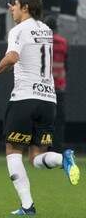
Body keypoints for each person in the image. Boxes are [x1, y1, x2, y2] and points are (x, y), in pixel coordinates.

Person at [0, 0, 80, 216]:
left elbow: (13, 57)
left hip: (25, 99)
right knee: (36, 158)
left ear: (25, 7)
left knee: (12, 151)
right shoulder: (45, 29)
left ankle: (28, 207)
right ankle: (63, 158)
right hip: (48, 101)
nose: (12, 9)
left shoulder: (17, 30)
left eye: (15, 5)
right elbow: (31, 42)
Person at [44, 15, 68, 152]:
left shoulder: (42, 41)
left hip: (44, 88)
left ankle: (42, 147)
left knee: (44, 120)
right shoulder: (63, 43)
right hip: (59, 86)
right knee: (59, 120)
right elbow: (66, 65)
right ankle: (57, 148)